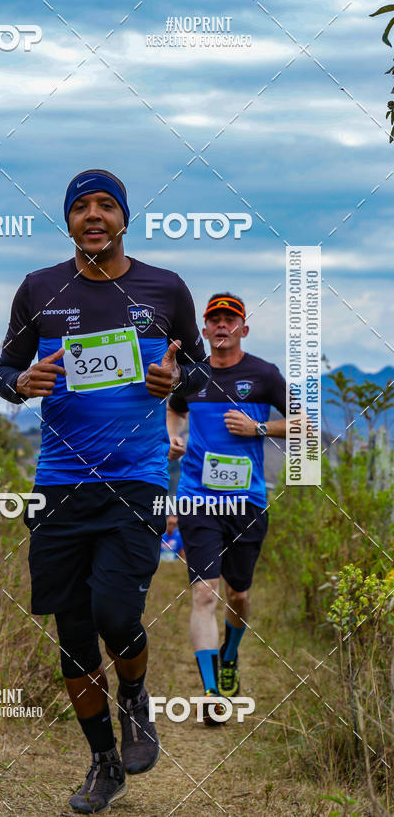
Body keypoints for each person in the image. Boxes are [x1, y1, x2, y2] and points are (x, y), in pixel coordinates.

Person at [0, 169, 210, 812]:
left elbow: (196, 370)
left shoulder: (164, 289)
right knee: (75, 636)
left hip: (136, 481)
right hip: (58, 484)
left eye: (106, 205)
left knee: (118, 616)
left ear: (123, 219)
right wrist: (19, 383)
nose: (94, 215)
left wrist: (175, 380)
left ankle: (136, 702)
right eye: (81, 207)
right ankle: (102, 763)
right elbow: (6, 369)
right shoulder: (38, 290)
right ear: (68, 223)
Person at [166, 292, 286, 725]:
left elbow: (303, 424)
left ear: (243, 329)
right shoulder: (192, 377)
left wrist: (259, 426)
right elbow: (174, 412)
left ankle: (231, 653)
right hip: (198, 499)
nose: (222, 327)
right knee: (204, 593)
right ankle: (212, 693)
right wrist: (174, 440)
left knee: (238, 593)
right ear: (204, 330)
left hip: (247, 502)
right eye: (214, 320)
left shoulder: (264, 374)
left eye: (230, 320)